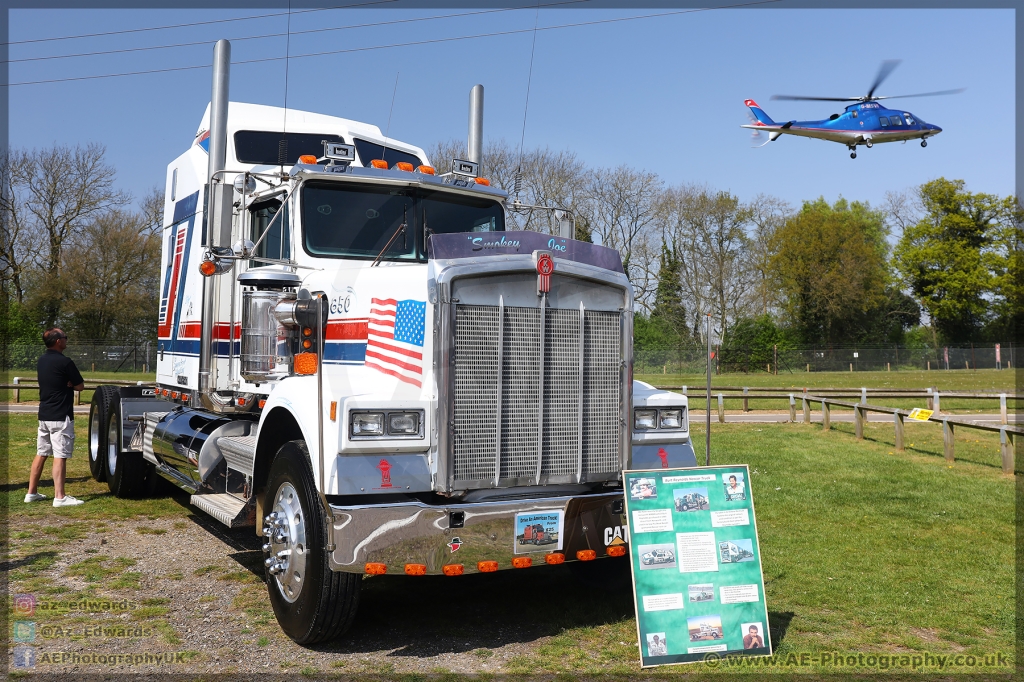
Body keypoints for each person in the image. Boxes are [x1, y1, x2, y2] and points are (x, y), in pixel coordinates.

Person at [26, 328, 85, 507]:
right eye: (65, 337)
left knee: (41, 453)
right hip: (60, 415)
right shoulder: (65, 362)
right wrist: (70, 384)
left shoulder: (41, 360)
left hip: (44, 413)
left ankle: (31, 492)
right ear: (58, 341)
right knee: (60, 455)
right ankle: (60, 497)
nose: (67, 340)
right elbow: (80, 386)